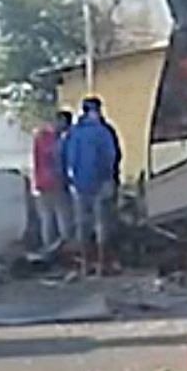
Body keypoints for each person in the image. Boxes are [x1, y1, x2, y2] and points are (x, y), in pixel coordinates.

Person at [64, 97, 121, 276]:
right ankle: (102, 266)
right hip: (101, 183)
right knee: (102, 224)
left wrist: (71, 179)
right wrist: (110, 178)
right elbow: (111, 156)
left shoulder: (74, 133)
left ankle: (85, 265)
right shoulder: (103, 131)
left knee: (83, 225)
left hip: (80, 185)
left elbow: (66, 157)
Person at [31, 111, 74, 251]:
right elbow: (57, 160)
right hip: (55, 182)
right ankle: (65, 248)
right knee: (63, 216)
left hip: (41, 182)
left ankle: (48, 248)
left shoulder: (40, 137)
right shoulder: (53, 139)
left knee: (47, 218)